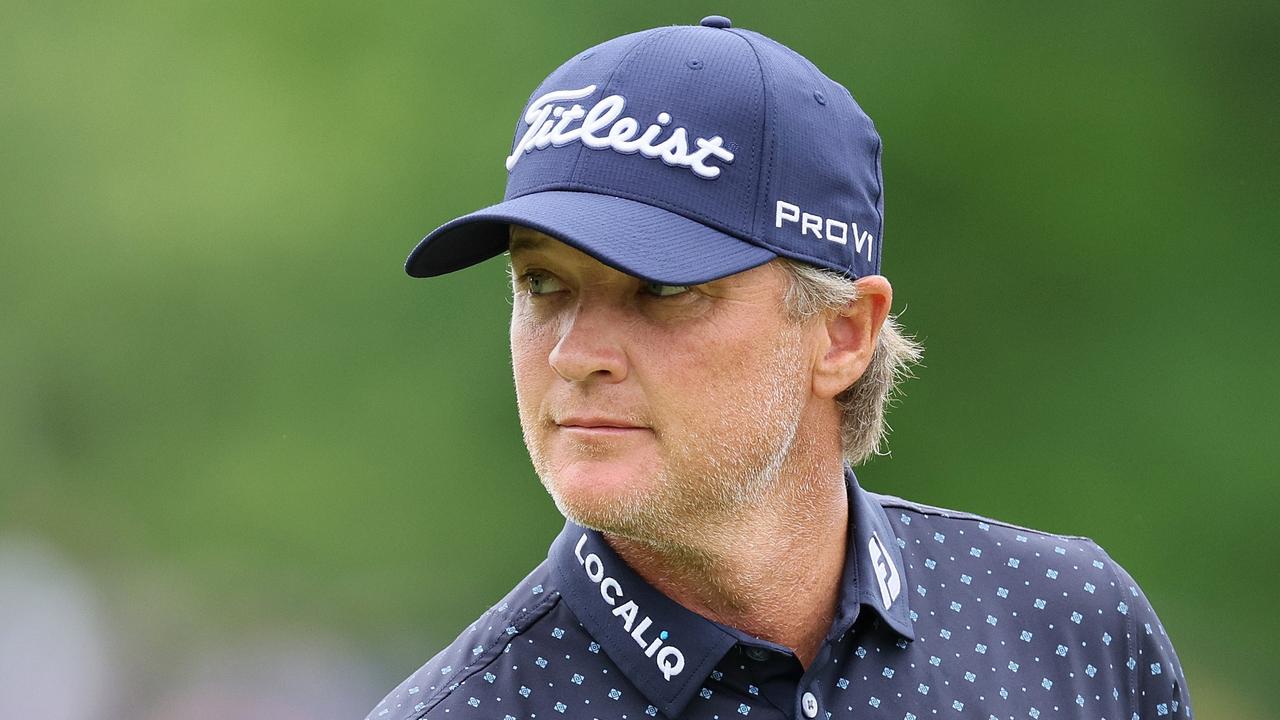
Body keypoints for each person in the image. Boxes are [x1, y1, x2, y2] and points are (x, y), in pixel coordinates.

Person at [365, 16, 1190, 720]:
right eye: (541, 283)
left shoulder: (1070, 627)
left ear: (841, 335)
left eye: (662, 287)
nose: (574, 354)